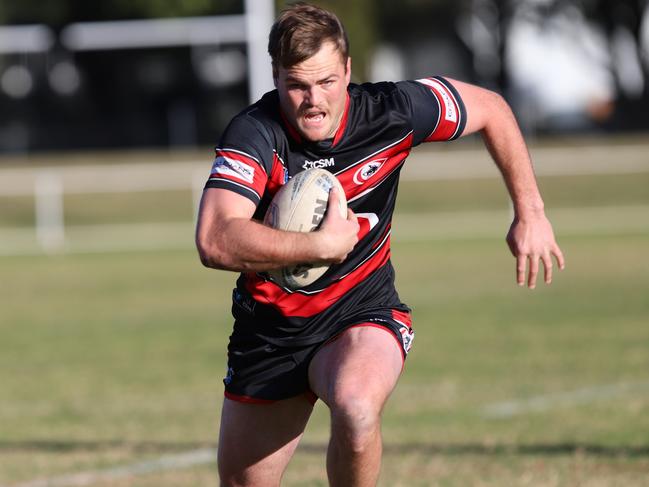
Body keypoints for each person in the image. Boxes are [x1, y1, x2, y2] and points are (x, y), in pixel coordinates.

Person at [195, 3, 565, 486]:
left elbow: (491, 109)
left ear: (349, 70)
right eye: (297, 85)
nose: (313, 100)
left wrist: (530, 212)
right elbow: (214, 237)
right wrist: (318, 246)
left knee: (356, 406)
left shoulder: (392, 110)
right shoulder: (255, 132)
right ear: (275, 77)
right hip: (272, 333)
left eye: (327, 81)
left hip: (361, 311)